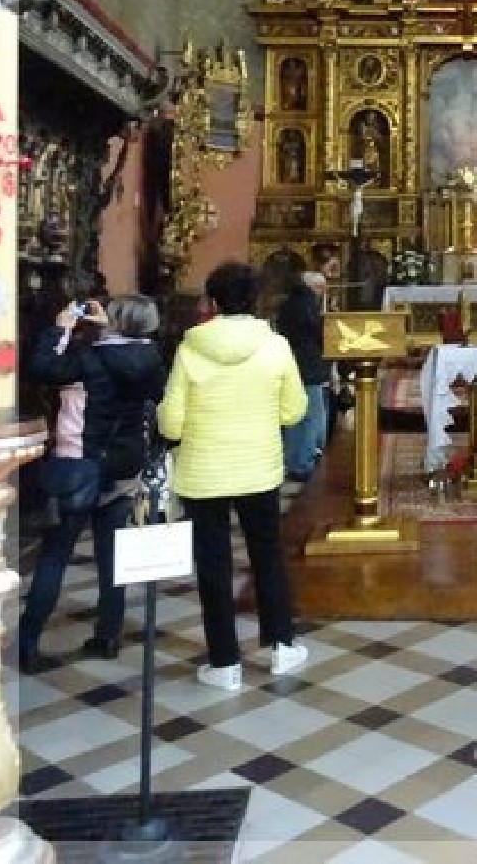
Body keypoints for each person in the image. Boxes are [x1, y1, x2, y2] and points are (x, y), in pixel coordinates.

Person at [158, 261, 308, 690]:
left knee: (213, 564)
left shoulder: (190, 348)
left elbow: (171, 422)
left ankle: (224, 664)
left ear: (213, 301)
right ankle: (281, 645)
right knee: (267, 556)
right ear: (256, 299)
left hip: (203, 470)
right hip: (258, 468)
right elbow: (294, 410)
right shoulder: (275, 346)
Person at [20, 294, 165, 671]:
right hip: (123, 466)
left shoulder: (86, 359)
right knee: (112, 554)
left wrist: (61, 328)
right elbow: (130, 361)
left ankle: (28, 643)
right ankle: (108, 635)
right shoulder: (150, 360)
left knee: (55, 555)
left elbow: (42, 367)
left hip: (77, 463)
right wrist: (111, 329)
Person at [276, 271, 329, 483]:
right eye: (321, 288)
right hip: (308, 365)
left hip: (292, 362)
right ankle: (304, 461)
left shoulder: (289, 302)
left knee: (295, 414)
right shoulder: (307, 304)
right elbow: (317, 332)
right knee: (311, 415)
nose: (322, 293)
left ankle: (294, 460)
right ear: (314, 287)